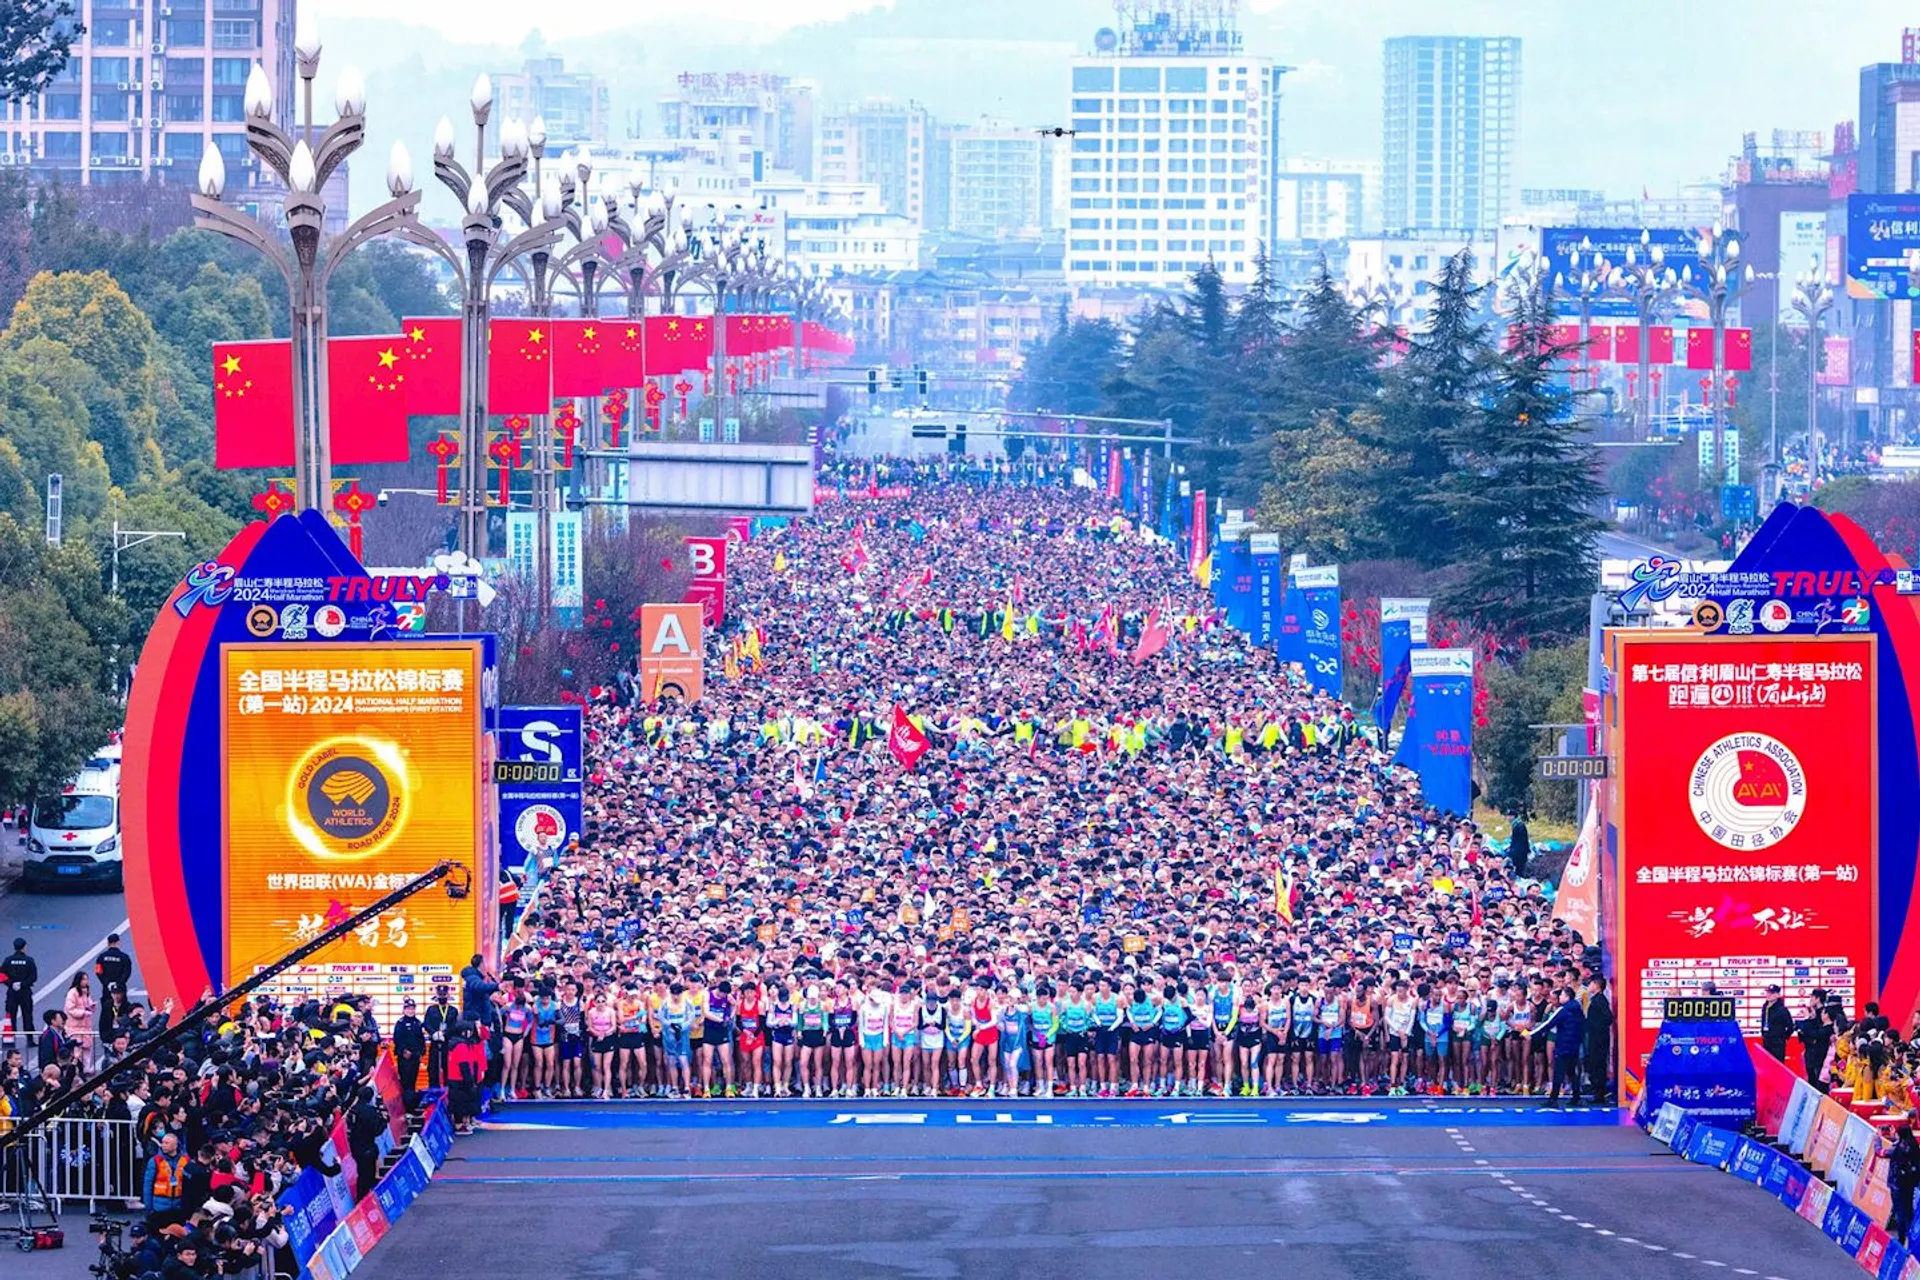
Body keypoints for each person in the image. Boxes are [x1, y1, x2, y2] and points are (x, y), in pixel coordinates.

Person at [1534, 986, 1587, 1105]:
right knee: (1572, 1072)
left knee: (1558, 1072)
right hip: (1574, 1045)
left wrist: (1531, 1034)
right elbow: (1583, 1026)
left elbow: (1548, 1024)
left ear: (1567, 997)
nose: (1560, 997)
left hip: (1563, 1044)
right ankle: (1576, 1097)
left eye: (1562, 995)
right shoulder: (1578, 1009)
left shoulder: (1563, 1010)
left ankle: (1553, 1099)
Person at [143, 1131, 190, 1228]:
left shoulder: (186, 1160)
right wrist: (149, 1208)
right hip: (159, 1208)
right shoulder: (155, 1161)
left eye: (166, 1143)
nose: (163, 1145)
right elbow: (147, 1186)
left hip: (178, 1207)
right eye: (163, 1142)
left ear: (175, 1145)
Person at [1581, 975, 1613, 1105]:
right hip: (1595, 1037)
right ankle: (1597, 1092)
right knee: (1594, 1064)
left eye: (1591, 984)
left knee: (1598, 1065)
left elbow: (1608, 1018)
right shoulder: (1595, 1000)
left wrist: (1597, 1028)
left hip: (1599, 1039)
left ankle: (1599, 1094)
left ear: (1596, 985)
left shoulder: (1600, 1000)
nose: (1589, 987)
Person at [391, 999, 427, 1110]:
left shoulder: (418, 1023)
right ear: (404, 1009)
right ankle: (404, 1105)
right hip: (404, 1057)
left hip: (415, 1057)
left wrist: (421, 1052)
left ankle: (411, 1105)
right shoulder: (400, 1023)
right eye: (408, 1008)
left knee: (413, 1080)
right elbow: (397, 1039)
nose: (410, 1011)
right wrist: (403, 1051)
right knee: (404, 1081)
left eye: (412, 1008)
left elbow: (421, 1040)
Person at [2, 937, 35, 1052]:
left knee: (11, 1015)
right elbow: (33, 977)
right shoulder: (29, 961)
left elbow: (1, 975)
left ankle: (10, 1040)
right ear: (24, 947)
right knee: (27, 1015)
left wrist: (11, 984)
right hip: (25, 992)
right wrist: (22, 984)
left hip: (12, 993)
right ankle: (30, 1040)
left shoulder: (8, 960)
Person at [1889, 1124, 1920, 1245]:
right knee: (1908, 1211)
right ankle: (1911, 1239)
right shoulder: (1914, 1146)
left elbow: (1881, 1152)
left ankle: (1902, 1239)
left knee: (1899, 1212)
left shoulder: (1898, 1148)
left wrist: (1877, 1141)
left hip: (1898, 1184)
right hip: (1910, 1184)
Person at [1759, 984, 1794, 1063]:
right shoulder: (1765, 1007)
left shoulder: (1782, 1009)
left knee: (1778, 1065)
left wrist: (1782, 1037)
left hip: (1777, 1044)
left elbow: (1790, 1026)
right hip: (1766, 1041)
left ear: (1778, 995)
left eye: (1772, 993)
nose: (1768, 995)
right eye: (1767, 992)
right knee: (1767, 1065)